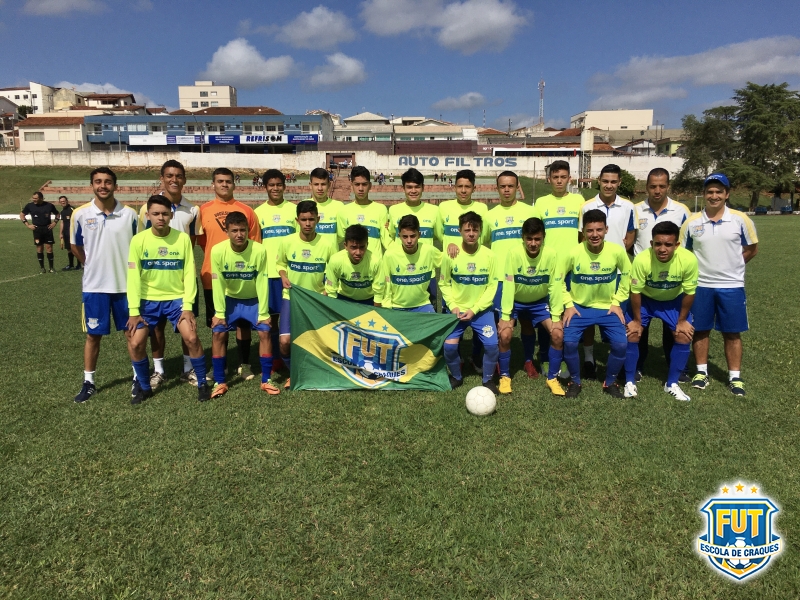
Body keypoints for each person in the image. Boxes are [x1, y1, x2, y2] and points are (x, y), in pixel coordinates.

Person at [125, 195, 210, 404]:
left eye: (164, 214)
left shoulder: (181, 239)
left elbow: (189, 273)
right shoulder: (138, 240)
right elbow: (133, 277)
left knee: (191, 337)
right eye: (155, 214)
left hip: (176, 300)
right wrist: (134, 311)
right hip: (147, 301)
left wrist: (188, 307)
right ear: (148, 215)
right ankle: (145, 387)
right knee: (136, 343)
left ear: (171, 215)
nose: (160, 217)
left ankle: (202, 383)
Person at [680, 173, 758, 397]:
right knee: (700, 329)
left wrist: (733, 266)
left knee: (732, 333)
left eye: (719, 192)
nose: (714, 196)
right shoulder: (692, 223)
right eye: (710, 192)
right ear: (704, 194)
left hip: (731, 286)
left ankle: (735, 376)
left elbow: (752, 248)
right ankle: (701, 372)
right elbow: (684, 254)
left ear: (727, 194)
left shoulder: (740, 219)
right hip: (701, 285)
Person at [70, 167, 138, 402]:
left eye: (108, 182)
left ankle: (138, 378)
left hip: (126, 287)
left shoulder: (130, 215)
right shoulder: (79, 214)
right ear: (92, 185)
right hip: (95, 287)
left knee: (132, 335)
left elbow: (137, 248)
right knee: (93, 336)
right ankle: (89, 382)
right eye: (98, 181)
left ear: (115, 186)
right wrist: (92, 266)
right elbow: (76, 247)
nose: (103, 186)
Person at [137, 160, 203, 389]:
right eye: (169, 175)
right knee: (156, 328)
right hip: (154, 281)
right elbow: (142, 242)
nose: (174, 180)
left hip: (182, 278)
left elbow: (192, 244)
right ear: (162, 178)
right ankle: (159, 371)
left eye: (178, 176)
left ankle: (188, 369)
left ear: (184, 179)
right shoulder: (147, 209)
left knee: (188, 324)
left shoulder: (193, 210)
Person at [555, 209, 631, 398]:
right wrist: (569, 304)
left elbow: (629, 275)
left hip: (607, 307)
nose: (594, 235)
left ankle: (610, 382)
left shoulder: (616, 251)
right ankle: (575, 381)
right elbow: (557, 279)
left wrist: (617, 301)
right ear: (583, 232)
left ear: (606, 229)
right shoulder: (573, 253)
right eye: (590, 230)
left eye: (598, 230)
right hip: (580, 308)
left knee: (621, 345)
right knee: (570, 342)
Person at [198, 168, 260, 381]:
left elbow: (255, 244)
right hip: (212, 277)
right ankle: (220, 367)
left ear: (235, 184)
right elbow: (202, 242)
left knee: (243, 324)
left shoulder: (247, 211)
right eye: (220, 181)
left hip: (242, 278)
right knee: (218, 324)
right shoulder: (203, 210)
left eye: (228, 181)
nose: (224, 185)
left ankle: (245, 363)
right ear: (212, 184)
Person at [624, 221, 697, 401]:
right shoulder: (641, 259)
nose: (662, 249)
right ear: (651, 244)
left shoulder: (688, 259)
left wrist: (681, 321)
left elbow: (689, 293)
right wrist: (637, 321)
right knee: (632, 333)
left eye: (668, 244)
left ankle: (671, 383)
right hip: (645, 300)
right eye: (658, 244)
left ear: (677, 245)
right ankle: (629, 381)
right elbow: (635, 291)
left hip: (673, 301)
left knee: (683, 335)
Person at [210, 211, 279, 399]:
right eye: (234, 230)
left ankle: (266, 380)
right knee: (218, 332)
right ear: (227, 231)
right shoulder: (217, 251)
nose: (239, 234)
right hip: (230, 299)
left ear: (249, 230)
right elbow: (218, 283)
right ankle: (219, 381)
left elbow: (262, 281)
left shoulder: (259, 250)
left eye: (243, 230)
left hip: (253, 301)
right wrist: (219, 312)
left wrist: (263, 312)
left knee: (265, 331)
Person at [632, 168, 692, 381]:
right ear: (646, 187)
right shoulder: (635, 209)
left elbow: (686, 242)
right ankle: (637, 366)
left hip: (672, 281)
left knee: (673, 328)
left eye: (662, 186)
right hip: (645, 279)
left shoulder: (682, 210)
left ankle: (675, 366)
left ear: (668, 186)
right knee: (640, 328)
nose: (657, 191)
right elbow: (630, 241)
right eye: (652, 186)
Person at [578, 164, 636, 376]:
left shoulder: (629, 206)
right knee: (589, 316)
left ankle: (617, 360)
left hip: (617, 273)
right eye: (605, 181)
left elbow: (630, 237)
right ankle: (589, 358)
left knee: (618, 316)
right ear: (598, 181)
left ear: (619, 182)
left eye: (613, 181)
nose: (609, 185)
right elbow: (581, 238)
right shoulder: (586, 206)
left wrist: (614, 258)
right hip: (590, 272)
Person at [498, 217, 565, 396]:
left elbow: (555, 286)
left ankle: (552, 378)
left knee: (558, 334)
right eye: (529, 239)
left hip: (539, 303)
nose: (533, 243)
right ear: (523, 237)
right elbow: (509, 284)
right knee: (504, 335)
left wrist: (557, 317)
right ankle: (504, 376)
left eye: (537, 239)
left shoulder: (551, 254)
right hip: (516, 302)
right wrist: (505, 316)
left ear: (544, 237)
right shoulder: (513, 253)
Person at [276, 201, 337, 389]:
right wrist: (283, 276)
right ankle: (294, 372)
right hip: (291, 297)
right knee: (285, 341)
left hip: (317, 300)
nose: (308, 223)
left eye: (311, 219)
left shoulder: (327, 245)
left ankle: (317, 373)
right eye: (304, 219)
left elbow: (333, 272)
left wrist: (328, 290)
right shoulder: (287, 242)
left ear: (318, 219)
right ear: (297, 220)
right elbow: (280, 264)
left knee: (321, 341)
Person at [532, 160, 585, 376]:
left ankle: (568, 355)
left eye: (563, 177)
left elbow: (583, 234)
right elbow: (535, 235)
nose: (559, 181)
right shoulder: (541, 203)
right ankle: (545, 356)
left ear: (569, 179)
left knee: (571, 313)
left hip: (573, 269)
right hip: (549, 269)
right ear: (549, 179)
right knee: (549, 314)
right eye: (555, 177)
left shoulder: (579, 200)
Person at [439, 212, 501, 393]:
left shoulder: (490, 256)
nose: (471, 233)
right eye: (467, 230)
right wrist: (453, 306)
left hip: (481, 312)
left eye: (475, 230)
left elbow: (492, 287)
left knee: (491, 346)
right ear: (460, 231)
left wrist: (475, 310)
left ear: (481, 231)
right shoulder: (450, 256)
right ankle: (457, 376)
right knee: (449, 347)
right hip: (456, 311)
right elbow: (443, 282)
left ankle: (488, 379)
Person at [482, 170, 536, 374]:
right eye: (502, 186)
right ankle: (498, 361)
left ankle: (529, 359)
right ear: (497, 188)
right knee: (501, 325)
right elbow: (483, 243)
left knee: (527, 322)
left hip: (525, 279)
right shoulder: (490, 215)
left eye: (510, 186)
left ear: (517, 187)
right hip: (500, 280)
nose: (506, 190)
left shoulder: (529, 213)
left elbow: (536, 243)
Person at [254, 169, 297, 376]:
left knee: (291, 317)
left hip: (289, 274)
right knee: (270, 318)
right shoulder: (258, 213)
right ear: (265, 187)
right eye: (271, 185)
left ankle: (292, 355)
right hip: (267, 273)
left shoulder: (293, 210)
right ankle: (274, 359)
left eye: (279, 184)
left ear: (285, 186)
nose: (275, 188)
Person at [388, 168, 442, 306]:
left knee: (431, 314)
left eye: (417, 187)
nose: (413, 191)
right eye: (409, 187)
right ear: (403, 188)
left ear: (423, 187)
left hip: (426, 273)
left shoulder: (434, 210)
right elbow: (392, 235)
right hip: (400, 272)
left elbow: (438, 236)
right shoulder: (394, 210)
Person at [377, 215, 442, 312]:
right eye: (405, 237)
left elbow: (450, 262)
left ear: (419, 235)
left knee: (435, 326)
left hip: (423, 305)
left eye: (412, 236)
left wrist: (452, 247)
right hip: (397, 307)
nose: (409, 241)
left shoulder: (429, 251)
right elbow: (386, 283)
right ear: (399, 236)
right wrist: (387, 306)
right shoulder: (390, 255)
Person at [336, 166, 391, 257]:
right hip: (353, 267)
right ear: (352, 186)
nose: (361, 188)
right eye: (357, 184)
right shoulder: (343, 211)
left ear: (370, 186)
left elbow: (387, 241)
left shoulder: (381, 209)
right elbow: (336, 240)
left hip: (375, 266)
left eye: (364, 184)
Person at [325, 224, 381, 305]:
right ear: (345, 246)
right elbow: (331, 293)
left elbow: (378, 294)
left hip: (368, 301)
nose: (358, 253)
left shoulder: (376, 261)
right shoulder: (335, 260)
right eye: (353, 247)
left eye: (362, 247)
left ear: (367, 245)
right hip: (344, 299)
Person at [20, 191, 59, 273]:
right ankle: (42, 268)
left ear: (41, 198)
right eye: (33, 198)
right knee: (39, 248)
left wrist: (54, 222)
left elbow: (57, 214)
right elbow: (22, 215)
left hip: (47, 229)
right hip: (37, 229)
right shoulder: (30, 206)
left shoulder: (49, 206)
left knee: (49, 248)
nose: (34, 200)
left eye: (36, 198)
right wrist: (28, 225)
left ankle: (51, 268)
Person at [307, 167, 344, 246]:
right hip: (311, 256)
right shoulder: (304, 205)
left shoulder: (339, 206)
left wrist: (330, 245)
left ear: (329, 185)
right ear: (310, 185)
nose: (320, 188)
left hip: (332, 256)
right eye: (316, 184)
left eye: (323, 184)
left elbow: (341, 235)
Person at [58, 195, 79, 271]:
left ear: (67, 201)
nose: (63, 202)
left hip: (74, 232)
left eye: (64, 201)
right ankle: (71, 265)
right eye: (61, 202)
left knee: (76, 248)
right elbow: (62, 222)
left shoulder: (72, 209)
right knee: (69, 249)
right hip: (66, 233)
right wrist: (61, 233)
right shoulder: (62, 212)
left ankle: (79, 265)